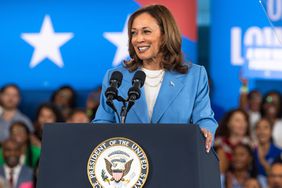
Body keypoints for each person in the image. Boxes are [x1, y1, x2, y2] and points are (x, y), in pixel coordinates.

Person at [92, 4, 217, 152]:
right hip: (129, 165)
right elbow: (102, 121)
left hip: (177, 158)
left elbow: (204, 118)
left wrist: (205, 131)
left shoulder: (194, 76)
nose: (138, 39)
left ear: (165, 35)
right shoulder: (114, 77)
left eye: (146, 32)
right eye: (134, 33)